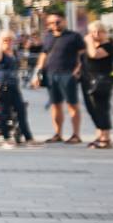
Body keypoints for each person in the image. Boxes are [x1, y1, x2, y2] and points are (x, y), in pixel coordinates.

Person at [31, 13, 86, 144]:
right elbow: (43, 55)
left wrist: (78, 69)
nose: (55, 25)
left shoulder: (74, 36)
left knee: (72, 104)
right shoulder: (48, 36)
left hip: (68, 74)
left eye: (57, 22)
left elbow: (82, 54)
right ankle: (58, 133)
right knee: (55, 105)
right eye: (51, 23)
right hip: (51, 74)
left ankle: (76, 135)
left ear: (64, 21)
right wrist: (37, 74)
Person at [0, 30, 33, 148]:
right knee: (5, 113)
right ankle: (6, 139)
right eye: (5, 40)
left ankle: (28, 138)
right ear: (1, 40)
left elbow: (20, 65)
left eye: (10, 40)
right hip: (2, 86)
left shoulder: (14, 52)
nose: (8, 42)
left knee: (21, 110)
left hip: (14, 85)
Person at [79, 22, 113, 149]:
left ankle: (105, 137)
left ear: (105, 33)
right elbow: (84, 59)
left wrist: (88, 42)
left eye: (99, 31)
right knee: (91, 108)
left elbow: (94, 55)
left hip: (101, 81)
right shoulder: (90, 45)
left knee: (101, 108)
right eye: (93, 31)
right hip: (87, 80)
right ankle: (99, 134)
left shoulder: (108, 46)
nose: (96, 34)